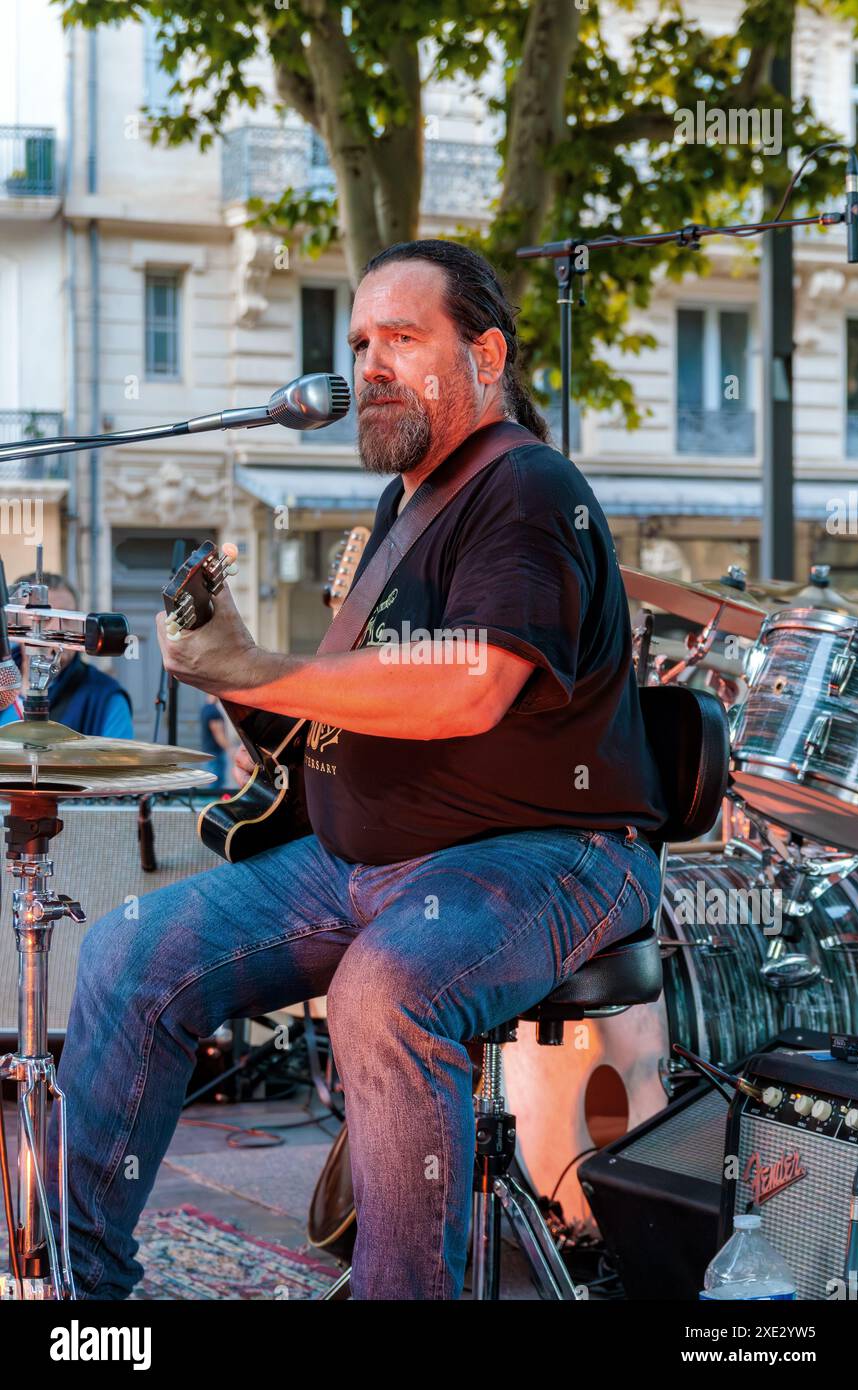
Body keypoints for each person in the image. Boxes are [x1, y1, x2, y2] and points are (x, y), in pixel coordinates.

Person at [49, 239, 666, 1300]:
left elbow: (467, 688)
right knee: (127, 949)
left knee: (386, 988)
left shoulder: (521, 487)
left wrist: (258, 663)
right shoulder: (400, 510)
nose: (368, 363)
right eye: (357, 341)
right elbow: (323, 721)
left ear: (485, 355)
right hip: (358, 863)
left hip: (548, 854)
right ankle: (76, 1290)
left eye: (402, 338)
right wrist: (230, 674)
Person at [0, 571, 133, 738]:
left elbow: (117, 762)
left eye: (67, 617)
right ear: (13, 623)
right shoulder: (4, 682)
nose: (58, 628)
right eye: (43, 617)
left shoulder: (106, 698)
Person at [199, 698, 231, 788]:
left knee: (212, 788)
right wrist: (231, 749)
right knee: (215, 789)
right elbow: (219, 735)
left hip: (209, 754)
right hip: (215, 756)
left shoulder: (205, 708)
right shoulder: (213, 712)